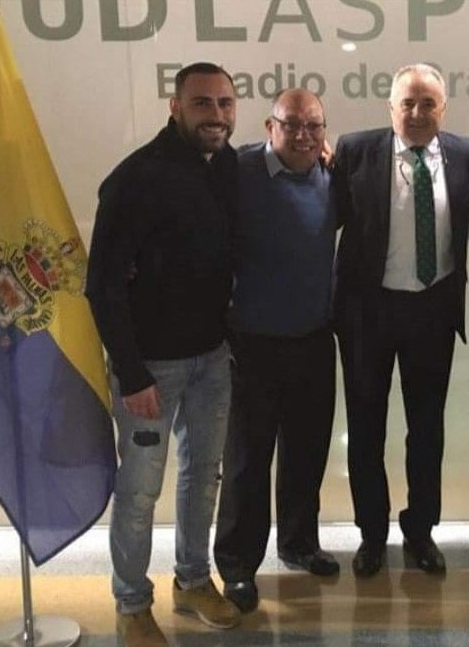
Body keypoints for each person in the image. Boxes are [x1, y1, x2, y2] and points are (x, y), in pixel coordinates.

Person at [86, 62, 242, 646]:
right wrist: (131, 373)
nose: (216, 115)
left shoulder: (226, 165)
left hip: (212, 360)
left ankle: (193, 580)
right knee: (140, 490)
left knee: (203, 477)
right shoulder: (135, 178)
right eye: (203, 104)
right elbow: (102, 285)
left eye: (225, 104)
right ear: (175, 108)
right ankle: (131, 604)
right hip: (151, 368)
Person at [332, 63, 469, 578]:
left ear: (444, 109)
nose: (417, 113)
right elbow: (324, 215)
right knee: (366, 429)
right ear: (390, 108)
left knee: (426, 431)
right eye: (407, 104)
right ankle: (372, 535)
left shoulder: (465, 154)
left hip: (431, 312)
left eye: (428, 104)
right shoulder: (354, 151)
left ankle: (420, 531)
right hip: (366, 314)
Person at [214, 89, 339, 614]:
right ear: (270, 127)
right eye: (292, 125)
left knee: (306, 451)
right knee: (247, 459)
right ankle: (238, 565)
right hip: (252, 343)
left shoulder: (331, 176)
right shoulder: (237, 171)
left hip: (314, 338)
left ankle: (298, 543)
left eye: (314, 126)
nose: (304, 135)